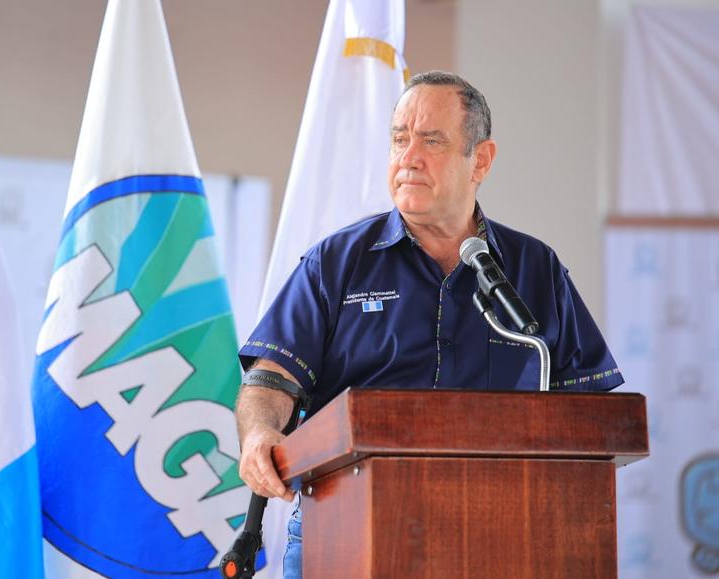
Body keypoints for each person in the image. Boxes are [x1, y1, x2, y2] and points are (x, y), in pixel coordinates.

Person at [234, 70, 623, 578]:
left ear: (479, 160)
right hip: (345, 527)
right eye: (400, 139)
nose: (408, 156)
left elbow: (592, 409)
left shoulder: (534, 269)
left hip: (503, 529)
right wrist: (260, 432)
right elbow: (271, 380)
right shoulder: (336, 262)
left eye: (431, 140)